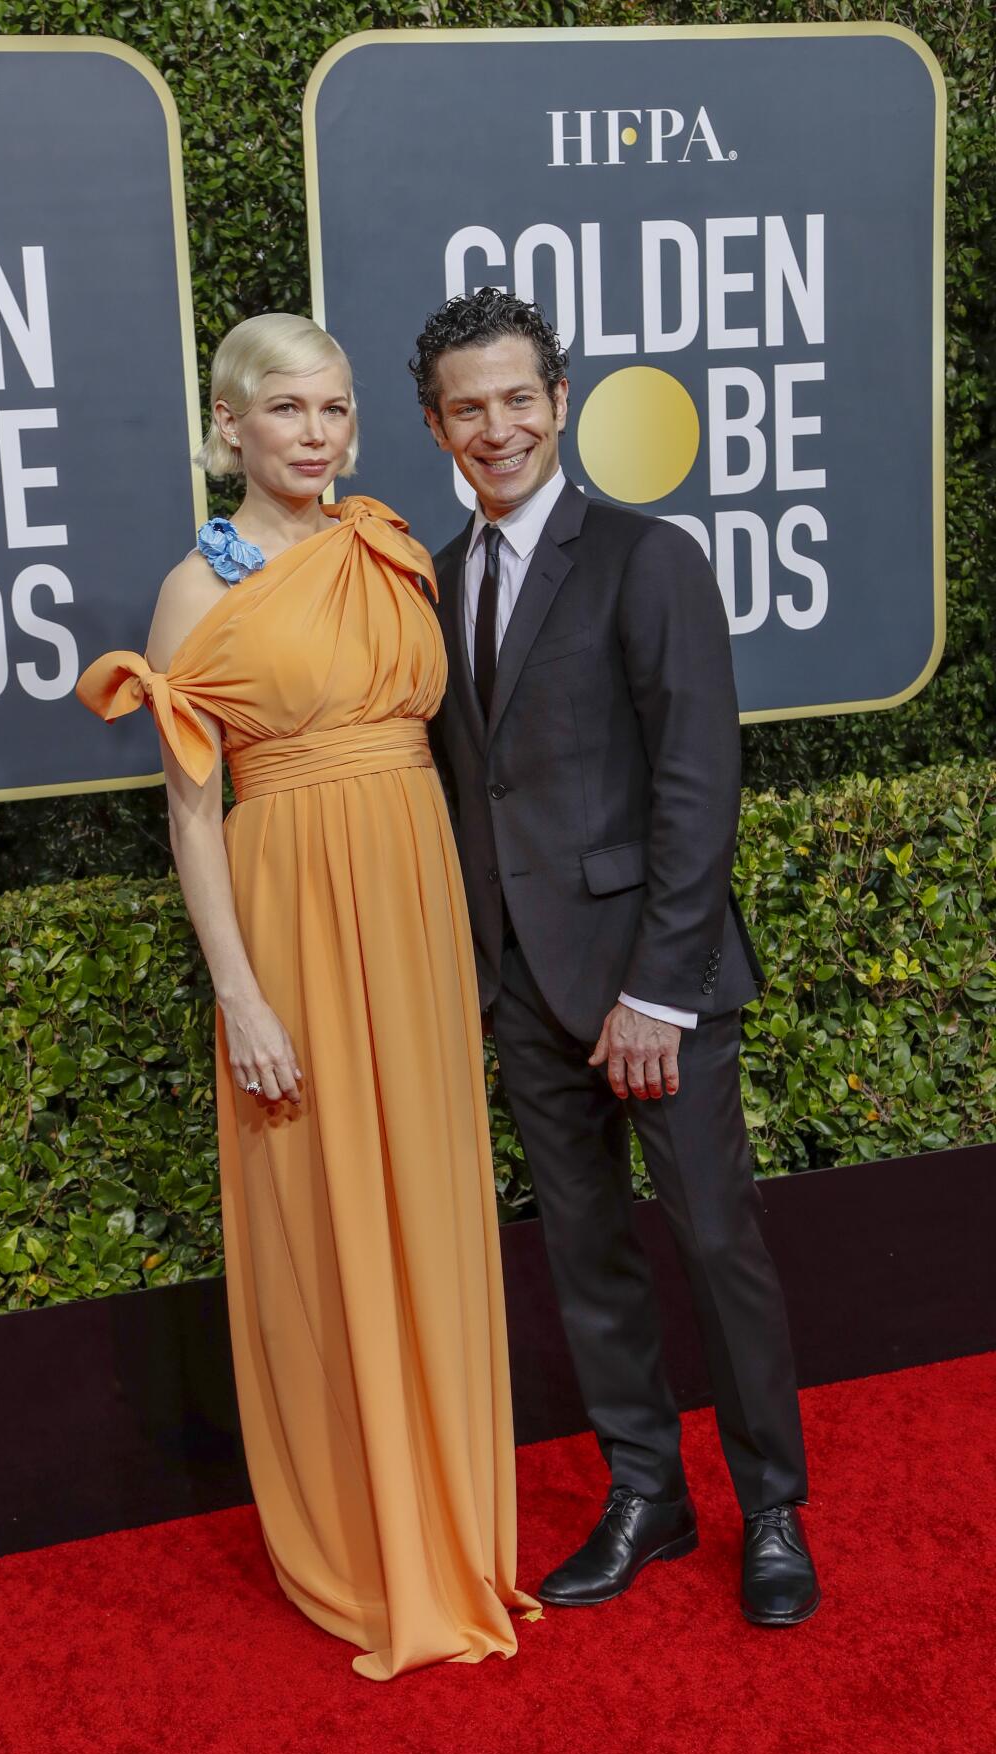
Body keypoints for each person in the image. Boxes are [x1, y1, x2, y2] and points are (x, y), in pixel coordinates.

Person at [76, 313, 538, 1679]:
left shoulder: (387, 544)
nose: (318, 436)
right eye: (288, 412)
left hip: (413, 899)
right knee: (325, 1210)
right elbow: (192, 815)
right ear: (229, 426)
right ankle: (367, 1533)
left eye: (336, 410)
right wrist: (242, 994)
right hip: (293, 912)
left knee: (436, 1201)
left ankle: (457, 1527)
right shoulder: (192, 590)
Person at [411, 287, 821, 1628]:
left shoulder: (647, 558)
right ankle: (649, 1495)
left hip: (655, 985)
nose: (497, 426)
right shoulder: (440, 577)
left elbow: (700, 784)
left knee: (715, 1240)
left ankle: (772, 1510)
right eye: (468, 407)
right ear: (437, 426)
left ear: (560, 401)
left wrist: (659, 988)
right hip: (521, 986)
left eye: (518, 398)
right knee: (586, 1255)